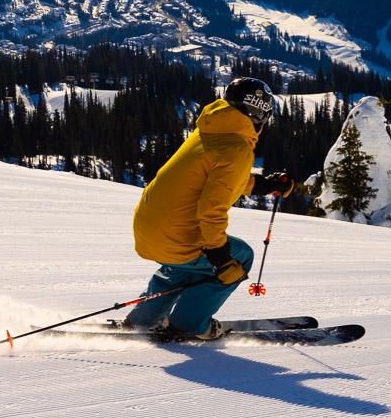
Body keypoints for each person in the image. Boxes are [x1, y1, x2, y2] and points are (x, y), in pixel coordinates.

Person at [125, 76, 294, 340]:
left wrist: (262, 184)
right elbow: (211, 209)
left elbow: (216, 179)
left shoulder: (211, 130)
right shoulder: (237, 147)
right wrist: (220, 257)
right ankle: (189, 324)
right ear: (259, 113)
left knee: (184, 264)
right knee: (238, 257)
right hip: (176, 234)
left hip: (150, 229)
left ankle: (143, 319)